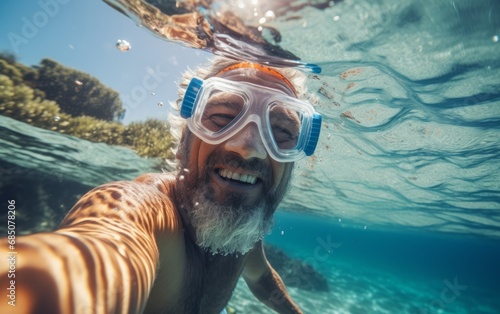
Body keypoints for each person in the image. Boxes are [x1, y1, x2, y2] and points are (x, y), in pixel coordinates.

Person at [0, 56, 321, 314]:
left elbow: (261, 278)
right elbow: (90, 257)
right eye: (223, 117)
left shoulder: (243, 231)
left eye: (282, 133)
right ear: (184, 140)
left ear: (292, 162)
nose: (249, 146)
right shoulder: (141, 210)